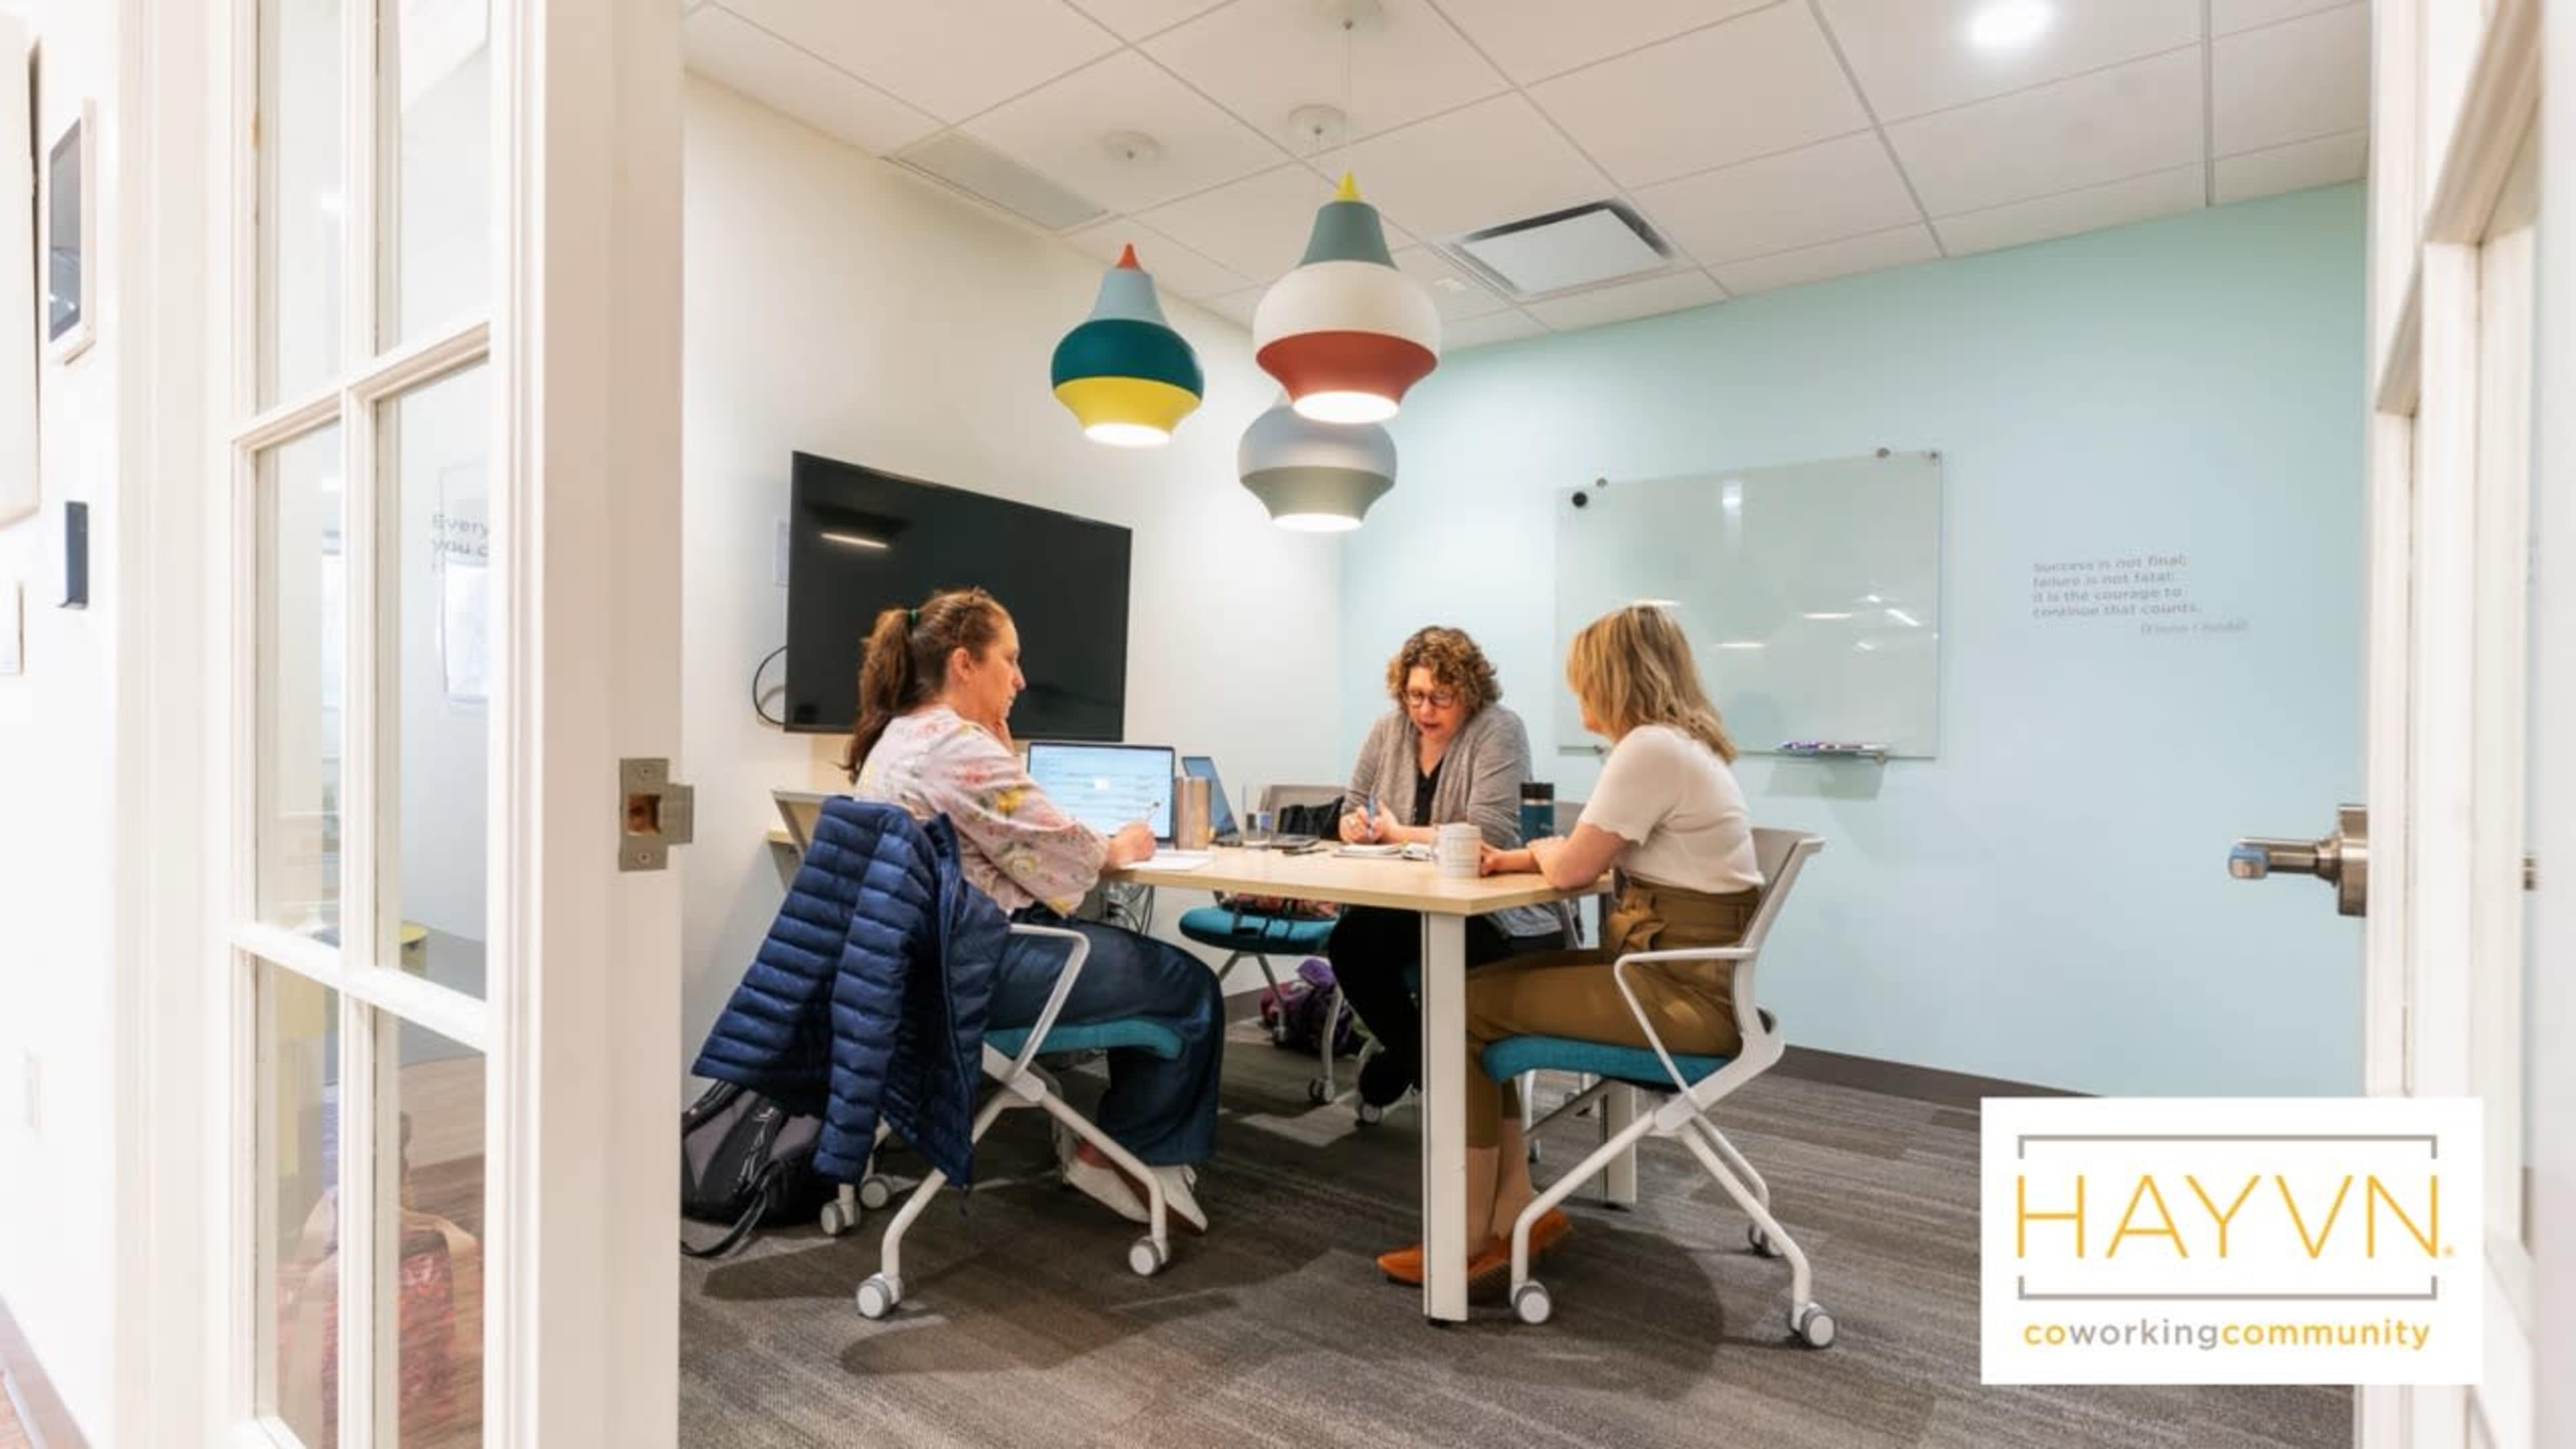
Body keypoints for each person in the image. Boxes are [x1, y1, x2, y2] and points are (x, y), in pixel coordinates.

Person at [1374, 604, 1765, 1289]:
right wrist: (1529, 856)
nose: (1576, 692)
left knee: (1456, 1009)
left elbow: (1576, 868)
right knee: (1468, 1001)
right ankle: (1514, 1211)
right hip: (1682, 979)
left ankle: (1465, 1241)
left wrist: (1544, 854)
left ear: (1612, 679)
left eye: (1583, 678)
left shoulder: (1647, 749)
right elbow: (1596, 859)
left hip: (1672, 999)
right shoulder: (1680, 747)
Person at [845, 587, 1221, 1232]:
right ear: (965, 663)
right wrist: (1122, 844)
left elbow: (1009, 839)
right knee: (1187, 986)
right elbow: (1070, 856)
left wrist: (1003, 752)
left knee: (1138, 964)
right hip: (976, 972)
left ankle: (1125, 1144)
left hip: (909, 977)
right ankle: (1120, 1155)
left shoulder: (899, 737)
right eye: (1009, 659)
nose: (1020, 678)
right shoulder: (958, 748)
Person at [1326, 626, 1566, 1110]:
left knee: (1382, 945)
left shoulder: (1499, 729)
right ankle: (1433, 1066)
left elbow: (1488, 834)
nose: (1424, 711)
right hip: (1410, 907)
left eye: (1440, 697)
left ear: (1470, 692)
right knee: (1350, 942)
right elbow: (1353, 805)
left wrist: (1396, 833)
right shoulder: (1388, 729)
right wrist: (1355, 825)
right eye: (1414, 696)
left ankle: (1409, 1063)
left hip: (1494, 915)